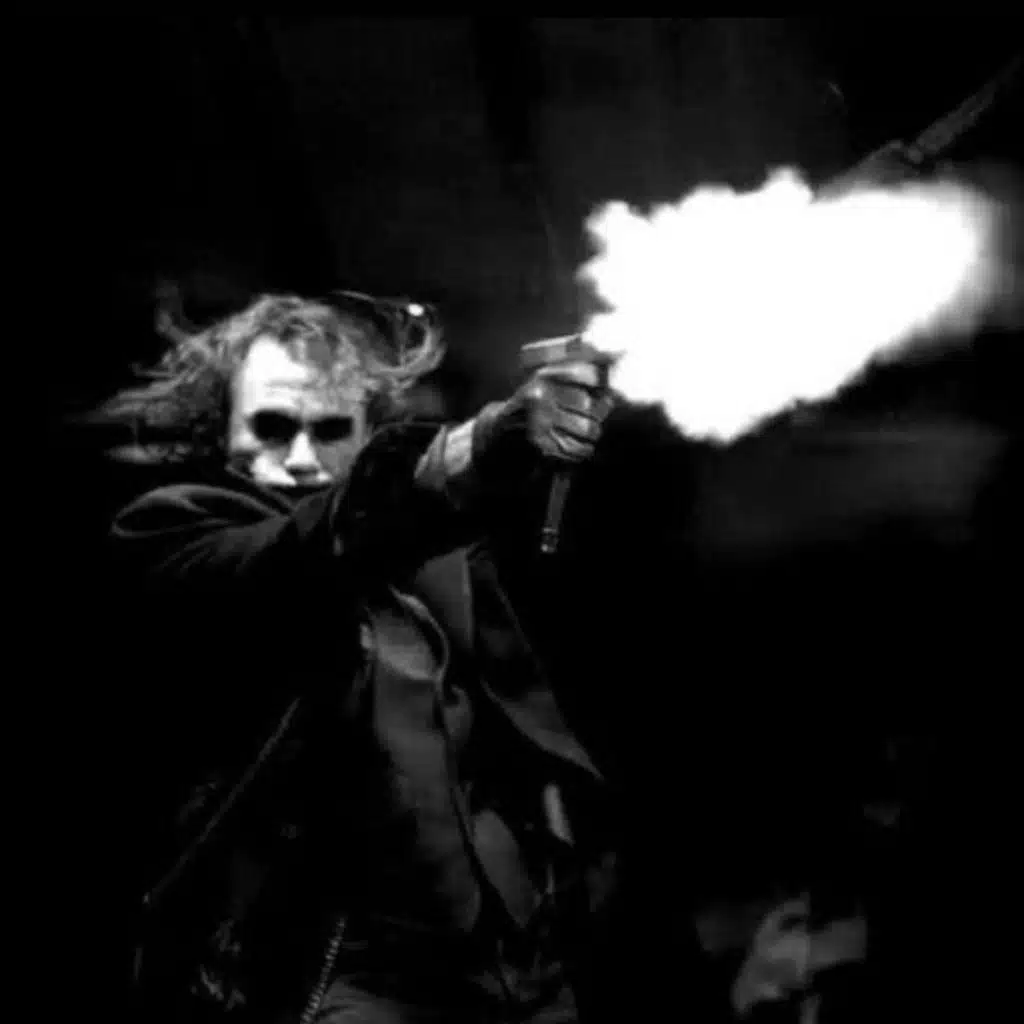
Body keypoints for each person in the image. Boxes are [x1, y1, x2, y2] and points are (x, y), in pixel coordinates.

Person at [106, 291, 618, 1024]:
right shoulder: (176, 533)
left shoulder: (434, 550)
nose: (302, 458)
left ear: (369, 429)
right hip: (336, 971)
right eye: (271, 428)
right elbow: (304, 553)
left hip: (517, 961)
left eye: (331, 429)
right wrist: (475, 445)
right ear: (222, 432)